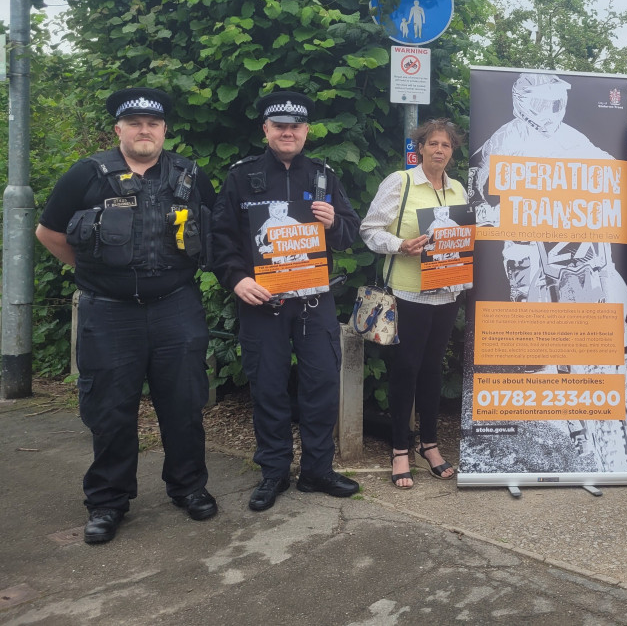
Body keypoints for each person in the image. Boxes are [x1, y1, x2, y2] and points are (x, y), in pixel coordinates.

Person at [35, 87, 217, 543]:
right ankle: (107, 502)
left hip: (176, 305)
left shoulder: (190, 176)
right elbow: (48, 231)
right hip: (110, 312)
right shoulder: (88, 174)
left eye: (152, 124)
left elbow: (214, 232)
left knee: (184, 403)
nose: (144, 130)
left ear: (164, 130)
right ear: (118, 129)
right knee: (111, 410)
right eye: (134, 123)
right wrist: (95, 272)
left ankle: (189, 487)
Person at [211, 91, 361, 511]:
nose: (288, 132)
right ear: (266, 130)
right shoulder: (241, 177)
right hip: (263, 303)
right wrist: (237, 279)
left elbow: (352, 231)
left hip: (315, 301)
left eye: (295, 126)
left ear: (306, 130)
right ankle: (274, 472)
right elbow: (220, 239)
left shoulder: (324, 176)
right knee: (269, 387)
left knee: (322, 384)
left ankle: (317, 470)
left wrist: (334, 224)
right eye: (279, 126)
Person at [360, 119, 467, 489]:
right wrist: (400, 245)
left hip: (447, 292)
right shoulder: (400, 182)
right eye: (433, 143)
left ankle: (430, 444)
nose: (439, 150)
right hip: (407, 292)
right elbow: (370, 230)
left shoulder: (458, 191)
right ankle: (400, 448)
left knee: (433, 369)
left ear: (453, 152)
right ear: (420, 147)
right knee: (406, 368)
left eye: (447, 145)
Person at [468, 72, 613, 225]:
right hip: (520, 222)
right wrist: (481, 205)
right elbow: (477, 168)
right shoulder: (507, 137)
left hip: (562, 219)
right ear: (523, 102)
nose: (550, 114)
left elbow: (607, 164)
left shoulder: (570, 136)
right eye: (540, 104)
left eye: (556, 104)